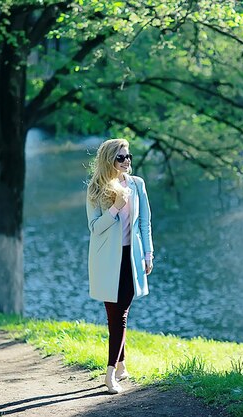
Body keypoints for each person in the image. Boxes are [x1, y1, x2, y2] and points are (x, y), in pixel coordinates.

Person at [86, 138, 154, 394]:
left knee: (119, 315)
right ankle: (113, 373)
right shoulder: (95, 189)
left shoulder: (137, 185)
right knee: (116, 316)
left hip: (131, 258)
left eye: (129, 157)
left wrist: (148, 253)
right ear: (109, 160)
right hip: (106, 260)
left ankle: (117, 368)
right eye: (121, 157)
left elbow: (145, 222)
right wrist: (115, 207)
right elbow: (94, 228)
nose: (127, 161)